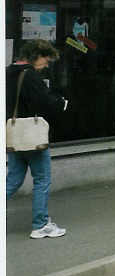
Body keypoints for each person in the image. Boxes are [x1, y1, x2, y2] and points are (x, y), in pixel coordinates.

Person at [6, 39, 68, 239]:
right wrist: (61, 103)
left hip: (14, 136)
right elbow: (45, 103)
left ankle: (41, 223)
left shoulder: (7, 72)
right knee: (42, 180)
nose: (46, 65)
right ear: (36, 55)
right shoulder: (30, 75)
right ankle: (40, 225)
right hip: (33, 138)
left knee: (12, 180)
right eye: (46, 60)